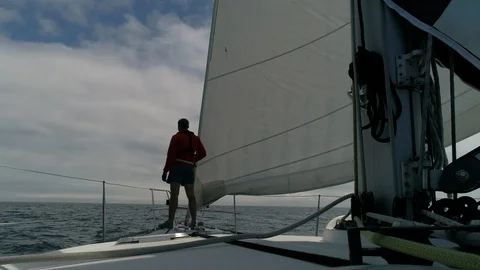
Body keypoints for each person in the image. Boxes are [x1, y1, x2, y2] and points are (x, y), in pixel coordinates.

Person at [158, 118, 207, 230]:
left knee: (174, 195)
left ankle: (170, 221)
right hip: (190, 168)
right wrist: (193, 160)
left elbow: (170, 155)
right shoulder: (196, 139)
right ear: (188, 126)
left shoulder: (176, 137)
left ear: (179, 126)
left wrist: (165, 171)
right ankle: (193, 222)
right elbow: (203, 153)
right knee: (191, 196)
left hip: (177, 167)